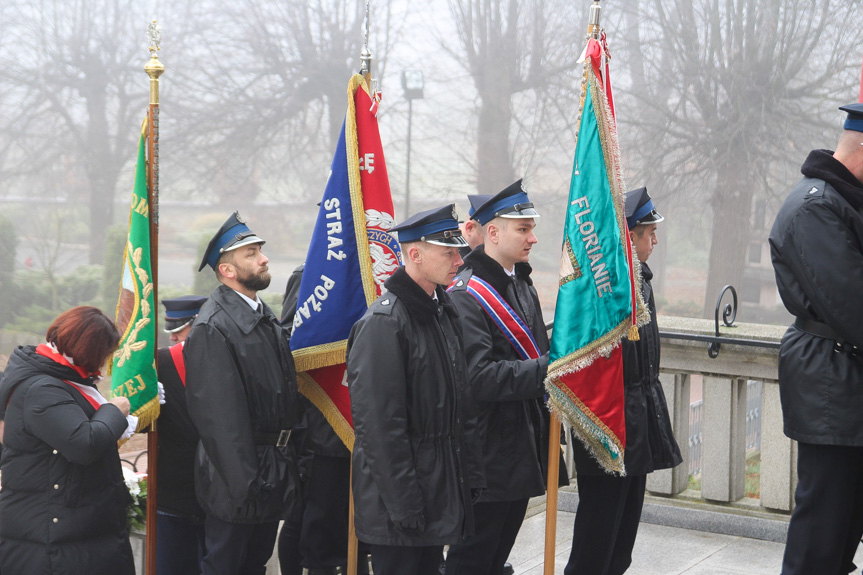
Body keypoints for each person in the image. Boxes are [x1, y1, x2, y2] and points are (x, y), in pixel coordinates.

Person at [347, 204, 484, 575]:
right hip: (402, 504)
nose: (459, 258)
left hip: (436, 491)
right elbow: (379, 429)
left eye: (458, 249)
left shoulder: (441, 310)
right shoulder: (383, 323)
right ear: (416, 254)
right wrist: (405, 504)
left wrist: (468, 475)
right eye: (449, 251)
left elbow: (460, 405)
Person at [446, 180, 565, 575]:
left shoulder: (520, 284)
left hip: (520, 445)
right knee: (472, 560)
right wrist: (551, 368)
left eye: (532, 227)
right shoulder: (466, 293)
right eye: (523, 228)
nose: (533, 237)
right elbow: (479, 378)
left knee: (496, 559)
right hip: (487, 452)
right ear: (492, 233)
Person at [563, 187, 682, 575]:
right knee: (596, 540)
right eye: (649, 232)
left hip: (637, 419)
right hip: (609, 423)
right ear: (629, 236)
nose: (656, 240)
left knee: (622, 541)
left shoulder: (638, 281)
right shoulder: (607, 289)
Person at [769, 103, 863, 575]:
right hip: (832, 383)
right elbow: (853, 304)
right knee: (821, 535)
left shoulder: (842, 199)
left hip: (846, 378)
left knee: (843, 530)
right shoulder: (815, 206)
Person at [184, 212, 302, 575]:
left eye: (260, 251)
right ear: (227, 271)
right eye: (251, 254)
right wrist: (249, 484)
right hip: (238, 480)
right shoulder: (213, 327)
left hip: (268, 469)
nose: (263, 258)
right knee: (226, 565)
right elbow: (221, 421)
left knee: (254, 565)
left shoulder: (260, 315)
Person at [0, 306, 135, 575]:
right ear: (88, 350)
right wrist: (114, 411)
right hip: (52, 537)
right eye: (103, 355)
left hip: (69, 528)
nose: (103, 364)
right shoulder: (43, 387)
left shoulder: (58, 376)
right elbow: (83, 444)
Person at [277, 265, 368, 575]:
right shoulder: (310, 274)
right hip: (322, 427)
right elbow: (289, 343)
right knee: (313, 522)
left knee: (357, 523)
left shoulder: (373, 274)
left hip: (366, 423)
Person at [155, 295, 208, 575]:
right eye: (171, 332)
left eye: (179, 330)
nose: (174, 338)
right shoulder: (160, 363)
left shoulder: (223, 358)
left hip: (215, 497)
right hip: (173, 493)